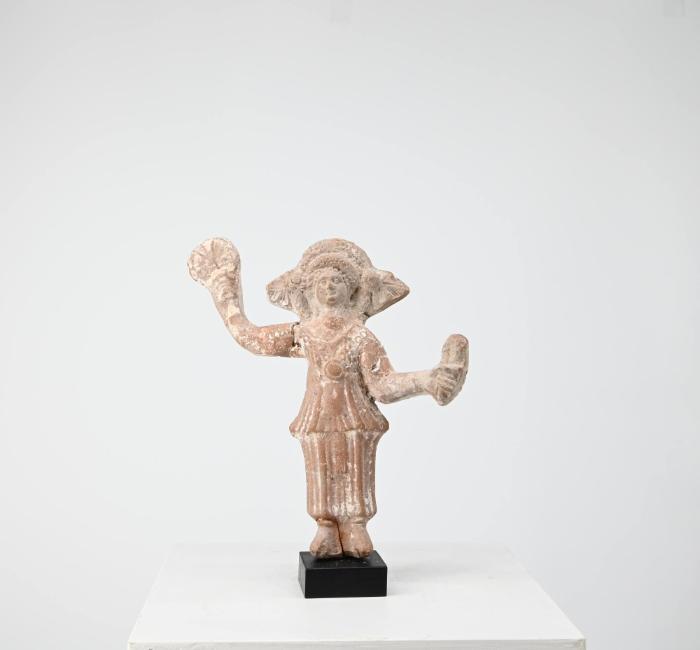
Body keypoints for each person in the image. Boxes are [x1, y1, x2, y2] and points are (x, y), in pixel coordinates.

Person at [188, 238, 468, 557]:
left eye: (337, 280)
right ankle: (326, 528)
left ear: (352, 290)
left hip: (355, 414)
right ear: (308, 291)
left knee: (355, 468)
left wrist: (427, 380)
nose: (329, 286)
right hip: (318, 415)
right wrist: (224, 293)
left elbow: (382, 385)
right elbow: (252, 338)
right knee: (320, 467)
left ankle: (356, 526)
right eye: (321, 281)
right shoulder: (303, 333)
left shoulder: (360, 336)